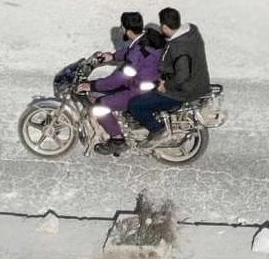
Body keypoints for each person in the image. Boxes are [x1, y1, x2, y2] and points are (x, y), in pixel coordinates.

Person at [130, 8, 209, 139]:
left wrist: (165, 85)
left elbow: (182, 75)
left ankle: (158, 130)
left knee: (136, 104)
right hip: (199, 84)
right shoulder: (192, 33)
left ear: (165, 27)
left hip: (182, 93)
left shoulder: (178, 47)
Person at [89, 14, 160, 154]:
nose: (121, 28)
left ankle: (118, 140)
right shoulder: (148, 38)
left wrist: (93, 85)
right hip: (151, 82)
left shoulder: (137, 52)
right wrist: (113, 56)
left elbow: (119, 78)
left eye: (122, 26)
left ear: (128, 31)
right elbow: (131, 51)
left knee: (101, 104)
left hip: (140, 90)